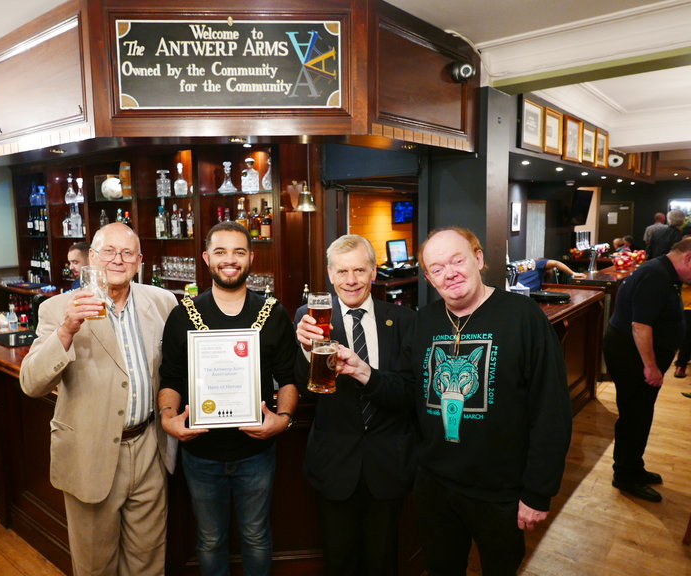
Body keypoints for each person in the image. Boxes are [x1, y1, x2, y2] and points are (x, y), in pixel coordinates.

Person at [337, 227, 572, 574]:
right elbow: (408, 394)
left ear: (478, 258)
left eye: (457, 260)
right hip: (435, 486)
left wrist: (538, 492)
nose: (450, 273)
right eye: (437, 268)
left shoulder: (523, 317)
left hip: (500, 491)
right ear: (430, 278)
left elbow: (551, 410)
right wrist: (361, 370)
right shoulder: (426, 321)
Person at [19, 223, 177, 576]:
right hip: (89, 453)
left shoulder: (163, 302)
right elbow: (32, 383)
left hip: (148, 448)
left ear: (139, 260)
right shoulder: (58, 308)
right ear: (90, 258)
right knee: (95, 565)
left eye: (126, 253)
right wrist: (66, 330)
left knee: (148, 562)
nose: (117, 260)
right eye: (108, 251)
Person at [159, 221, 298, 576]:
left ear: (251, 258)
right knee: (209, 540)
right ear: (207, 258)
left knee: (256, 536)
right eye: (220, 252)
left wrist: (282, 420)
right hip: (201, 452)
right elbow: (171, 377)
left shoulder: (273, 313)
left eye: (238, 252)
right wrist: (167, 417)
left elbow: (288, 378)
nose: (230, 260)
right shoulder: (183, 314)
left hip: (256, 452)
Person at [293, 234, 416, 576]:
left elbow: (409, 394)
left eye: (360, 270)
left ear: (373, 271)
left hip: (388, 464)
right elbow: (306, 388)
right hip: (334, 464)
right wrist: (306, 350)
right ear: (330, 274)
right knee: (339, 561)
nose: (351, 280)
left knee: (382, 560)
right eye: (343, 271)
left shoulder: (404, 320)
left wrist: (365, 373)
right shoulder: (310, 318)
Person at [603, 237, 691, 502]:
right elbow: (640, 326)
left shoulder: (664, 272)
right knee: (634, 417)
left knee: (640, 415)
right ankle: (625, 476)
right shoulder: (655, 275)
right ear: (688, 259)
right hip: (633, 359)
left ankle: (634, 467)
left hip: (637, 358)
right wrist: (651, 367)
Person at [516, 258, 586, 291]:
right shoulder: (538, 263)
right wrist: (573, 273)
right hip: (522, 291)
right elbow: (556, 263)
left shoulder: (538, 275)